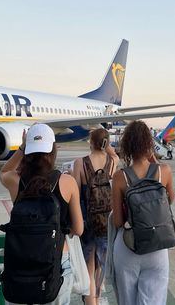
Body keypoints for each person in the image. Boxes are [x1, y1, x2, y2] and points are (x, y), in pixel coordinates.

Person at [0, 123, 84, 305]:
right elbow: (78, 229)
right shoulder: (67, 182)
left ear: (28, 152)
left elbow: (4, 170)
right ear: (53, 150)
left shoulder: (17, 181)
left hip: (21, 261)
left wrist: (22, 147)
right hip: (57, 262)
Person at [112, 120, 175, 305]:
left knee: (127, 300)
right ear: (149, 143)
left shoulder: (120, 177)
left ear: (127, 145)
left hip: (129, 246)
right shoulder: (165, 171)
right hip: (157, 246)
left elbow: (117, 221)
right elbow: (169, 201)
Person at [73, 128, 119, 305]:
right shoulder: (113, 161)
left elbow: (76, 194)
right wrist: (106, 147)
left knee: (88, 268)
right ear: (106, 142)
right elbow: (113, 153)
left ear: (90, 142)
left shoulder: (80, 163)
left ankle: (91, 302)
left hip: (87, 221)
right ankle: (97, 299)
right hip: (106, 221)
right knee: (100, 268)